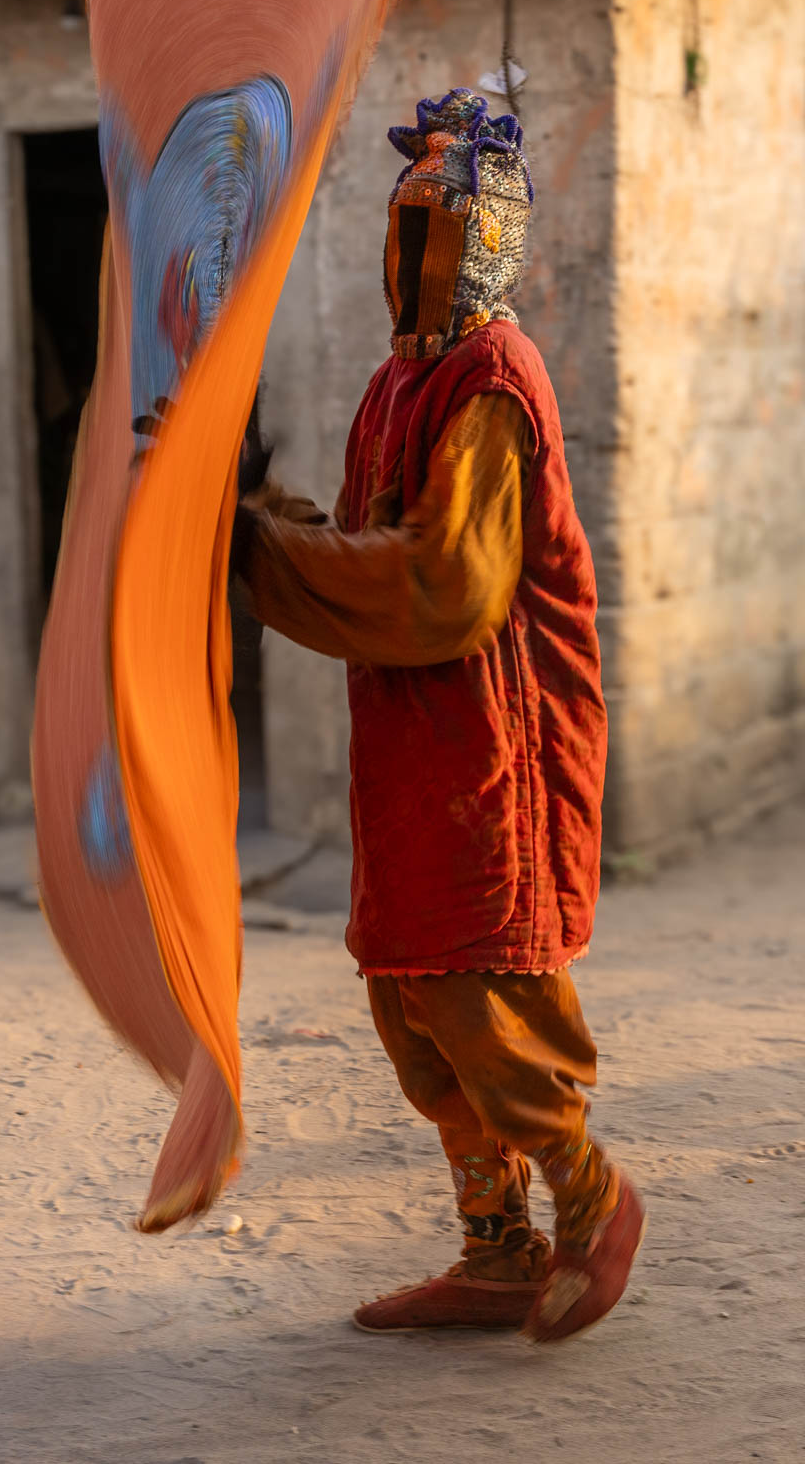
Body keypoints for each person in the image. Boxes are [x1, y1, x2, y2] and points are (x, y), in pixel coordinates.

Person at [231, 88, 643, 1343]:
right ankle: (498, 1247)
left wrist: (252, 552)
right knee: (412, 990)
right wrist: (251, 511)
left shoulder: (492, 380)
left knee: (477, 982)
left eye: (443, 227)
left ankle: (592, 1198)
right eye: (405, 224)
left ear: (489, 240)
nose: (417, 252)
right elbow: (366, 539)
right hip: (415, 740)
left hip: (493, 739)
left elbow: (439, 583)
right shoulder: (396, 379)